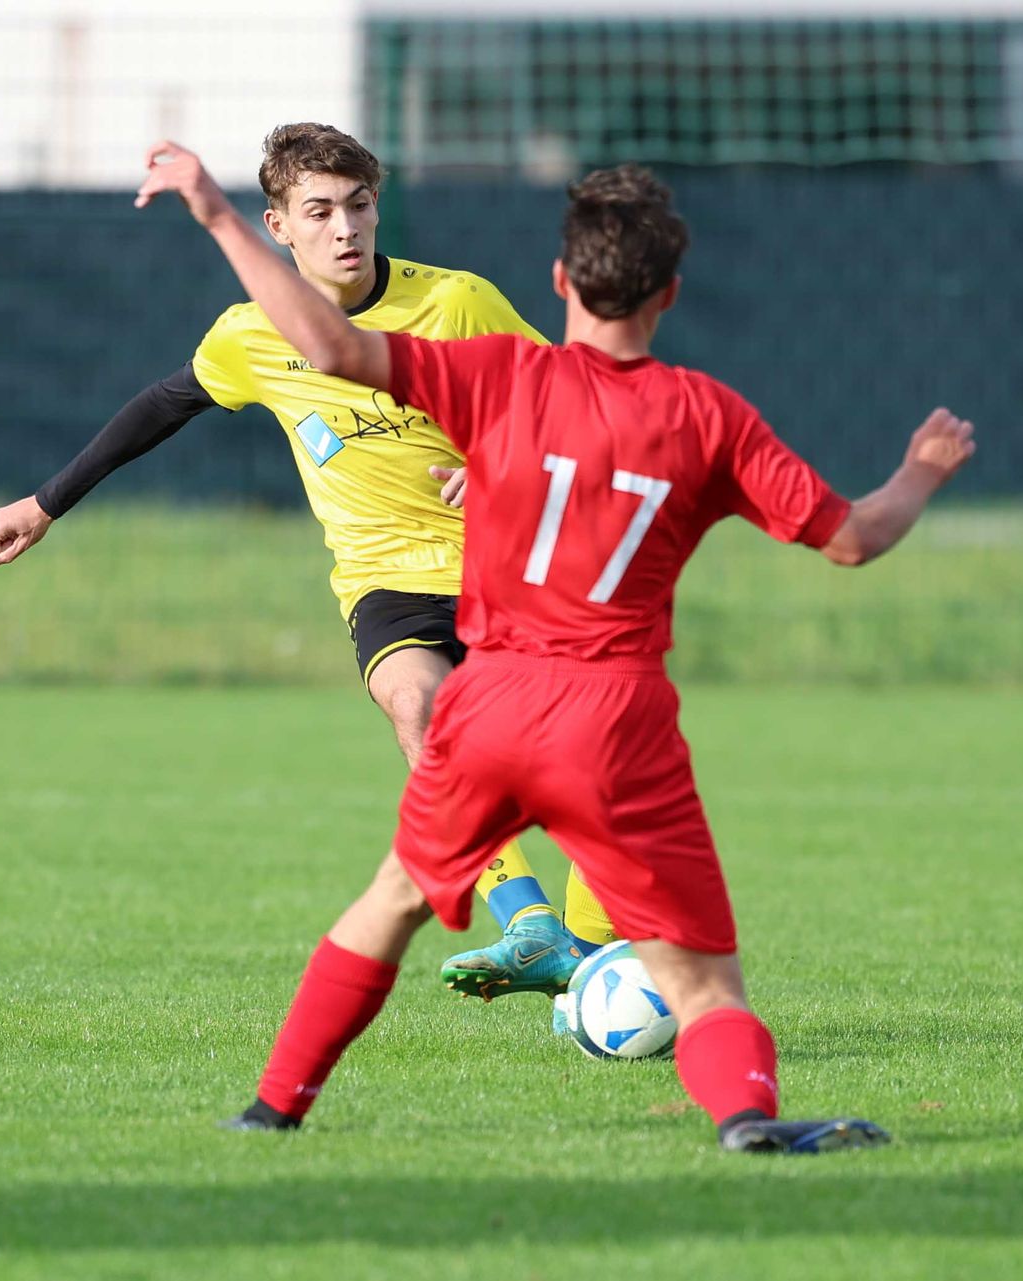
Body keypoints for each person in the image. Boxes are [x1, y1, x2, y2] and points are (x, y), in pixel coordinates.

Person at [135, 141, 977, 1153]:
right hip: (617, 721)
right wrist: (922, 471)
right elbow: (852, 539)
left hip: (492, 706)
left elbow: (329, 348)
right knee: (702, 982)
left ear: (559, 282)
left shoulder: (499, 375)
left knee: (390, 902)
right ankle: (748, 1119)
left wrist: (216, 213)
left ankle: (272, 1108)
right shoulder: (708, 417)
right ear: (669, 292)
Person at [0, 123, 616, 997]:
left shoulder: (457, 303)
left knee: (589, 776)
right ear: (278, 227)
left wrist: (504, 464)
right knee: (418, 707)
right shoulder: (253, 336)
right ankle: (532, 923)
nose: (345, 229)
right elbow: (163, 406)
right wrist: (45, 501)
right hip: (388, 580)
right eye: (319, 211)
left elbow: (578, 402)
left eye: (359, 206)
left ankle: (599, 959)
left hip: (511, 567)